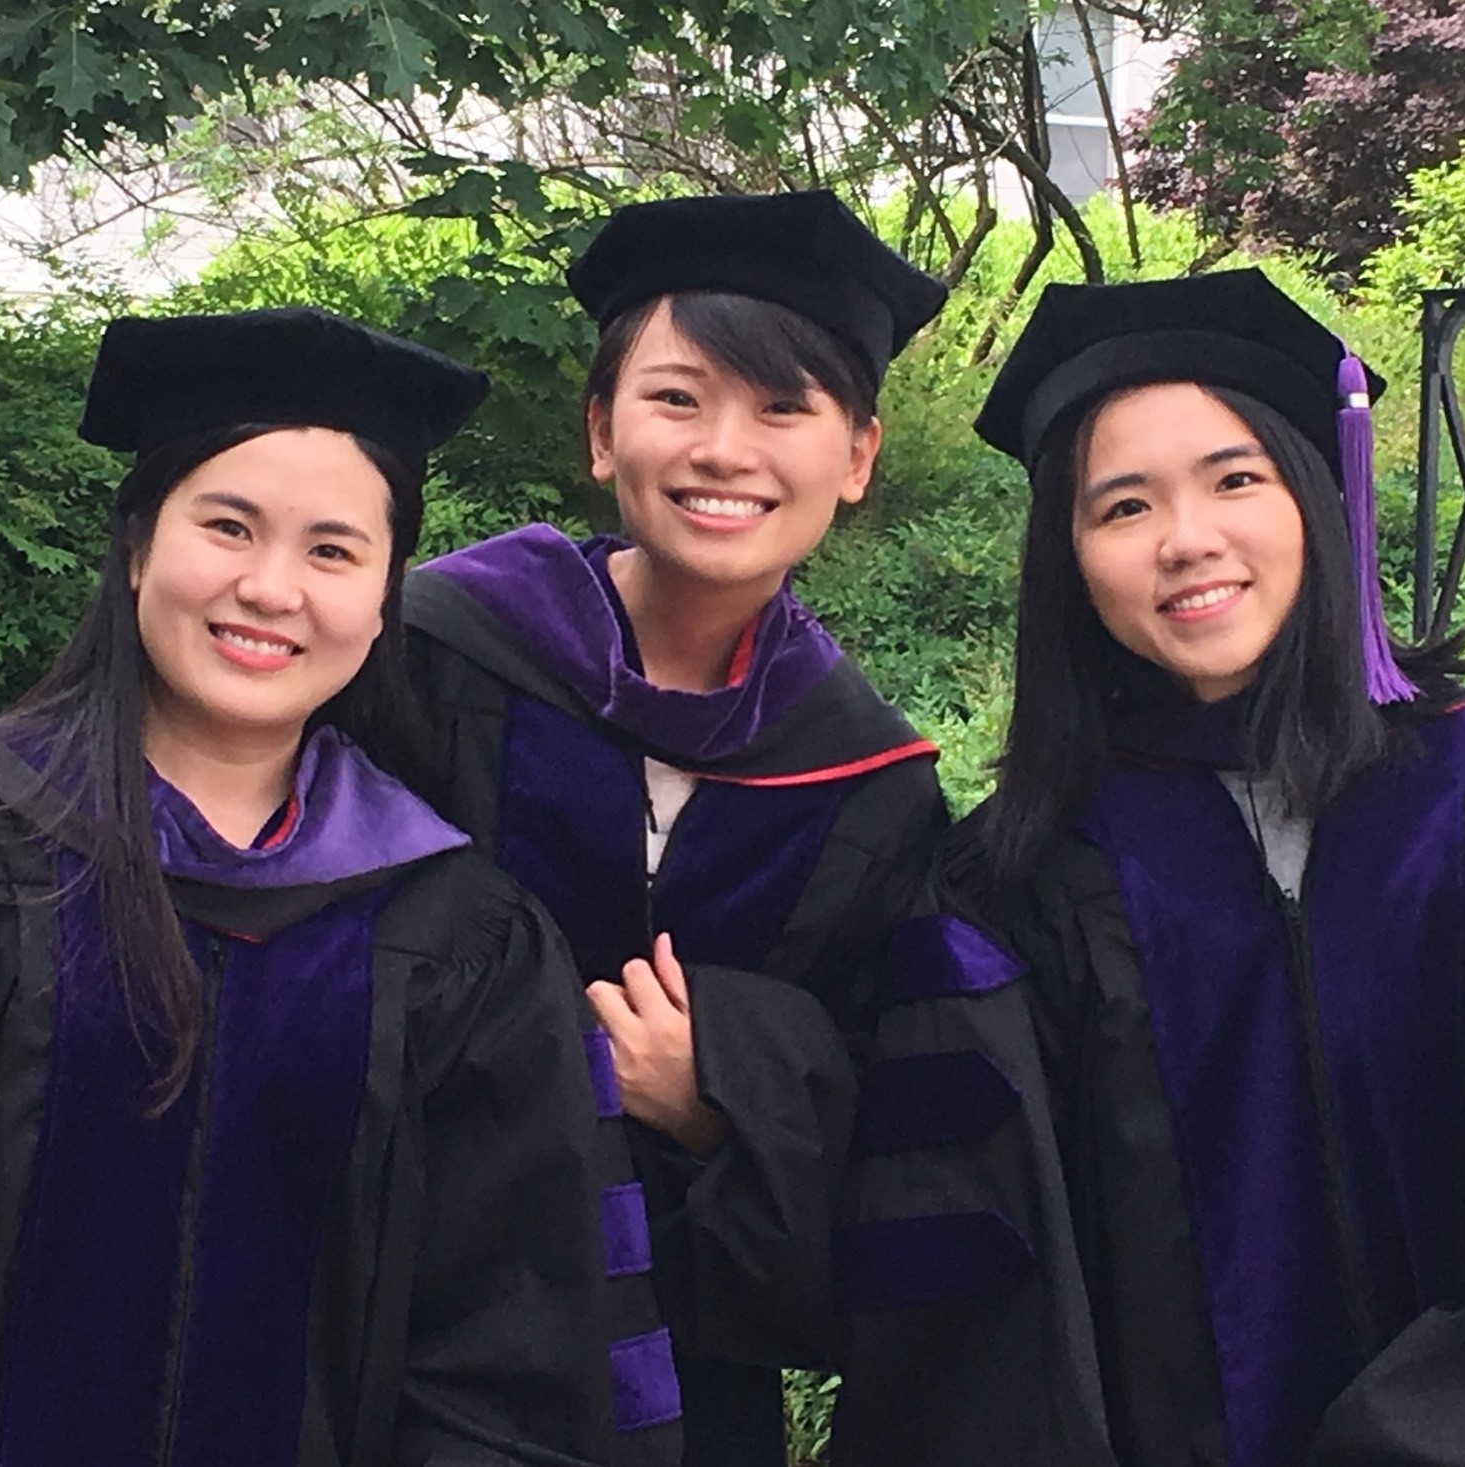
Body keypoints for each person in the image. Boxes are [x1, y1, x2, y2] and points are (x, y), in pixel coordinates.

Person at [0, 306, 651, 1466]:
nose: (271, 587)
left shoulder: (456, 934)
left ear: (386, 592)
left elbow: (518, 1356)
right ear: (140, 545)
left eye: (333, 550)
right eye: (228, 526)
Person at [831, 268, 1465, 1466]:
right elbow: (975, 1312)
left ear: (1322, 497)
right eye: (1121, 507)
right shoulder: (1007, 891)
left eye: (1236, 479)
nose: (1186, 540)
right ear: (1066, 558)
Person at [403, 190, 950, 1467]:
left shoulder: (872, 778)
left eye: (782, 409)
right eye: (676, 398)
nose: (724, 449)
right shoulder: (428, 658)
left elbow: (894, 1103)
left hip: (687, 1374)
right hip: (399, 1312)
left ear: (856, 458)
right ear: (601, 431)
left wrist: (725, 1092)